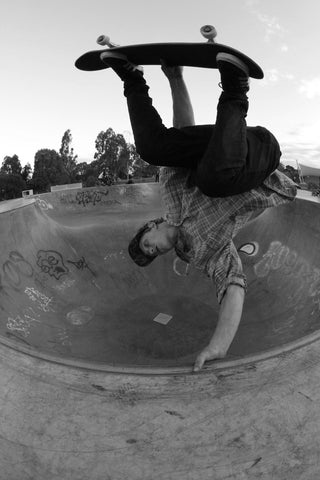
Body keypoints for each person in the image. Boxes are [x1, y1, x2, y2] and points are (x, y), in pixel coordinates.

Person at [100, 50, 297, 372]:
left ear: (151, 225)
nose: (157, 249)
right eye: (156, 254)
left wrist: (175, 78)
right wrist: (218, 346)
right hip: (261, 162)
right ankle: (236, 85)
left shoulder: (172, 192)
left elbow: (182, 136)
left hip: (244, 139)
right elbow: (232, 287)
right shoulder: (204, 251)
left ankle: (132, 77)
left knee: (156, 150)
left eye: (149, 244)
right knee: (213, 180)